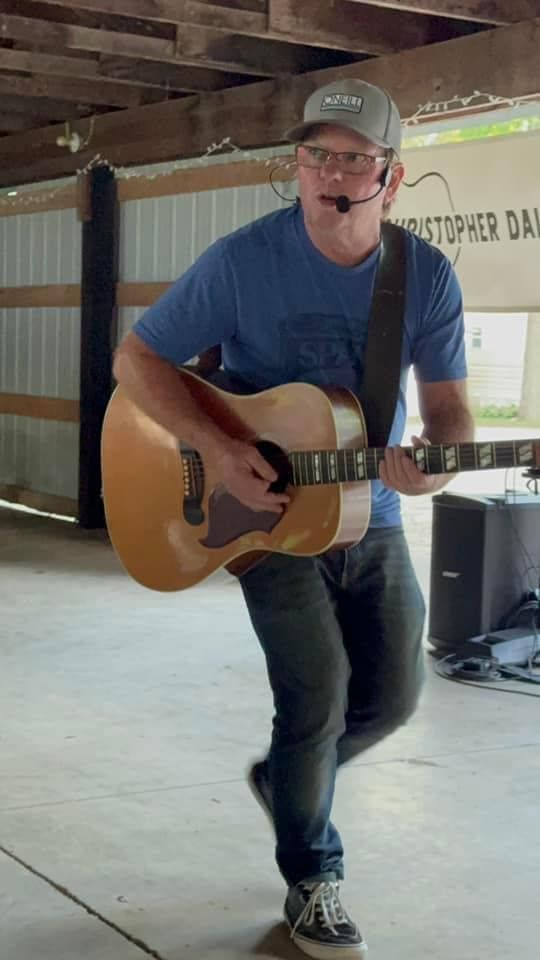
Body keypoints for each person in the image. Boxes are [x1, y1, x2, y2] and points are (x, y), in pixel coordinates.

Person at [113, 78, 474, 958]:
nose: (333, 173)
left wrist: (430, 471)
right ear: (295, 165)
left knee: (392, 696)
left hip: (372, 512)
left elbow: (453, 417)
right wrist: (220, 444)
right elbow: (137, 360)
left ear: (390, 177)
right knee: (314, 696)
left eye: (355, 157)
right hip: (262, 517)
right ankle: (314, 873)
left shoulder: (422, 277)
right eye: (318, 154)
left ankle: (286, 785)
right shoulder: (243, 262)